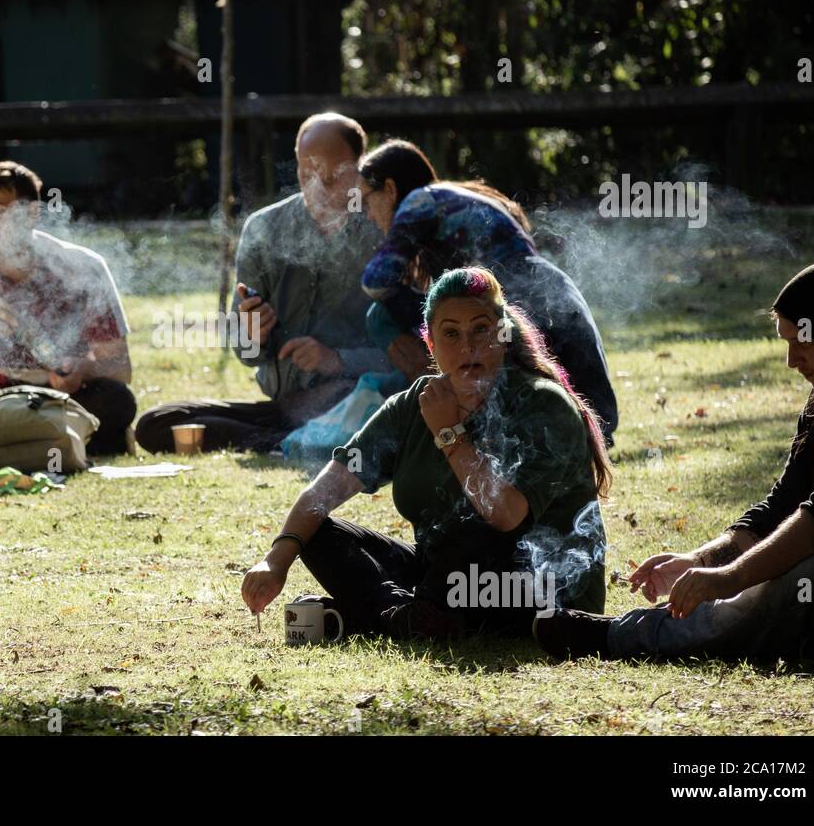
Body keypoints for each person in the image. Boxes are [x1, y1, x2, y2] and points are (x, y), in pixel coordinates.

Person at [241, 267, 612, 640]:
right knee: (315, 531)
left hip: (541, 588)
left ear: (502, 336)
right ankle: (403, 616)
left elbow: (505, 515)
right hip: (443, 581)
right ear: (430, 345)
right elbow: (327, 488)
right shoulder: (412, 404)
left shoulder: (542, 403)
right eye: (451, 333)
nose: (467, 346)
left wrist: (449, 434)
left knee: (469, 532)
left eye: (481, 330)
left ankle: (389, 616)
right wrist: (276, 560)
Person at [535, 261, 814, 665]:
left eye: (803, 343)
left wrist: (730, 578)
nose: (792, 361)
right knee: (788, 581)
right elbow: (783, 505)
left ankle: (618, 636)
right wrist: (700, 560)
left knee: (797, 582)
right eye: (786, 343)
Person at [135, 113, 390, 453]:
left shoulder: (382, 230)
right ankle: (289, 444)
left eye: (331, 178)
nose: (317, 189)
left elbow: (415, 355)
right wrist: (253, 335)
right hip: (284, 407)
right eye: (306, 174)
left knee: (351, 401)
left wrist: (337, 359)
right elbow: (248, 353)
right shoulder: (264, 229)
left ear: (359, 168)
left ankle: (299, 441)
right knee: (157, 423)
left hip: (353, 397)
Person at [357, 139, 619, 444]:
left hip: (518, 303)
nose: (367, 215)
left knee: (381, 315)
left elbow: (375, 281)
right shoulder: (454, 200)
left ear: (389, 189)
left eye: (367, 200)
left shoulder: (420, 201)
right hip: (554, 304)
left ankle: (439, 413)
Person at [0, 161, 135, 456]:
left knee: (117, 399)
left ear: (31, 214)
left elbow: (120, 367)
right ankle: (64, 442)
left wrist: (82, 369)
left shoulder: (82, 267)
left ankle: (12, 444)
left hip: (64, 398)